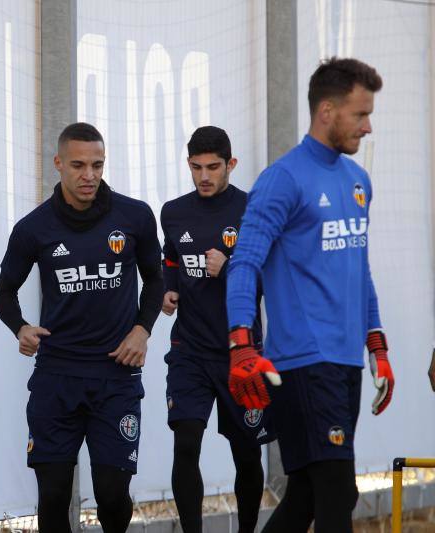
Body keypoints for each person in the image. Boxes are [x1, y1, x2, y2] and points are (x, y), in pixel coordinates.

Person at [226, 57, 394, 532]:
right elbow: (245, 263)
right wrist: (241, 342)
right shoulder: (283, 179)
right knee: (338, 493)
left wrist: (376, 344)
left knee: (308, 495)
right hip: (301, 362)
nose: (368, 126)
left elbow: (357, 268)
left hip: (343, 362)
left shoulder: (358, 181)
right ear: (326, 110)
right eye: (360, 114)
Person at [0, 122, 163, 533]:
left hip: (116, 378)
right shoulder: (33, 228)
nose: (89, 175)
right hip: (56, 378)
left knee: (112, 496)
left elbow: (157, 280)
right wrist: (20, 327)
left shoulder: (135, 216)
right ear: (58, 164)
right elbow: (4, 292)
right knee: (52, 494)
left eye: (97, 165)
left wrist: (143, 329)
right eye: (78, 165)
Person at [161, 126, 272, 533]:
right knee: (186, 442)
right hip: (189, 351)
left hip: (239, 351)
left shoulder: (254, 209)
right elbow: (170, 260)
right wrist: (169, 290)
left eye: (213, 167)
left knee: (246, 453)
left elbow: (271, 280)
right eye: (196, 167)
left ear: (231, 165)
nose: (204, 176)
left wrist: (229, 270)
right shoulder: (173, 212)